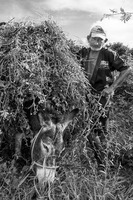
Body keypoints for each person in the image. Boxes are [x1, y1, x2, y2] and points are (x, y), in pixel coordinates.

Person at [78, 25, 130, 168]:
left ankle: (104, 163)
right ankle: (101, 160)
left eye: (101, 40)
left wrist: (112, 87)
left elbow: (126, 69)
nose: (97, 42)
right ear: (89, 38)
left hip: (102, 97)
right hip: (84, 96)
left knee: (101, 129)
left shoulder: (109, 54)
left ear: (105, 40)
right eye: (94, 38)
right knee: (87, 127)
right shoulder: (82, 53)